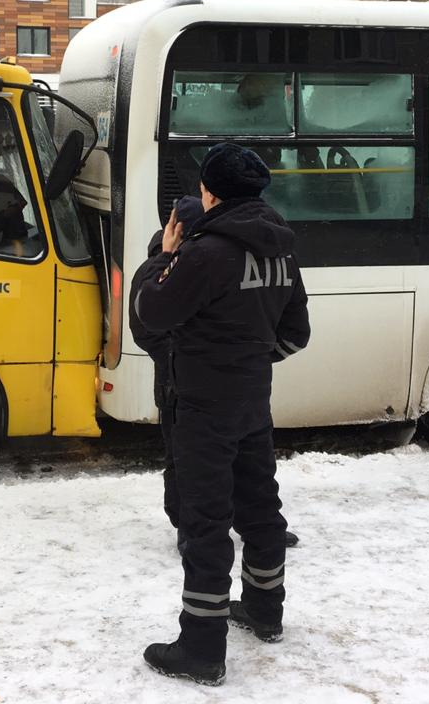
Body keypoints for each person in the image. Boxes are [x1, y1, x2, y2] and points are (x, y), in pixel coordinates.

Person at [134, 142, 311, 685]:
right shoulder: (280, 247)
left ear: (210, 194)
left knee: (205, 520)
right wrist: (251, 364)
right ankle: (264, 611)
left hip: (205, 406)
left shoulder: (206, 252)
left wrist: (164, 257)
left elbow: (151, 313)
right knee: (259, 506)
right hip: (253, 401)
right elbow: (296, 335)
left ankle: (202, 648)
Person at [129, 196, 301, 554]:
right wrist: (185, 358)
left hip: (226, 380)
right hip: (179, 382)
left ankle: (253, 521)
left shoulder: (210, 258)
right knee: (183, 458)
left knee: (246, 455)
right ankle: (188, 526)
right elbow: (144, 329)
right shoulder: (155, 267)